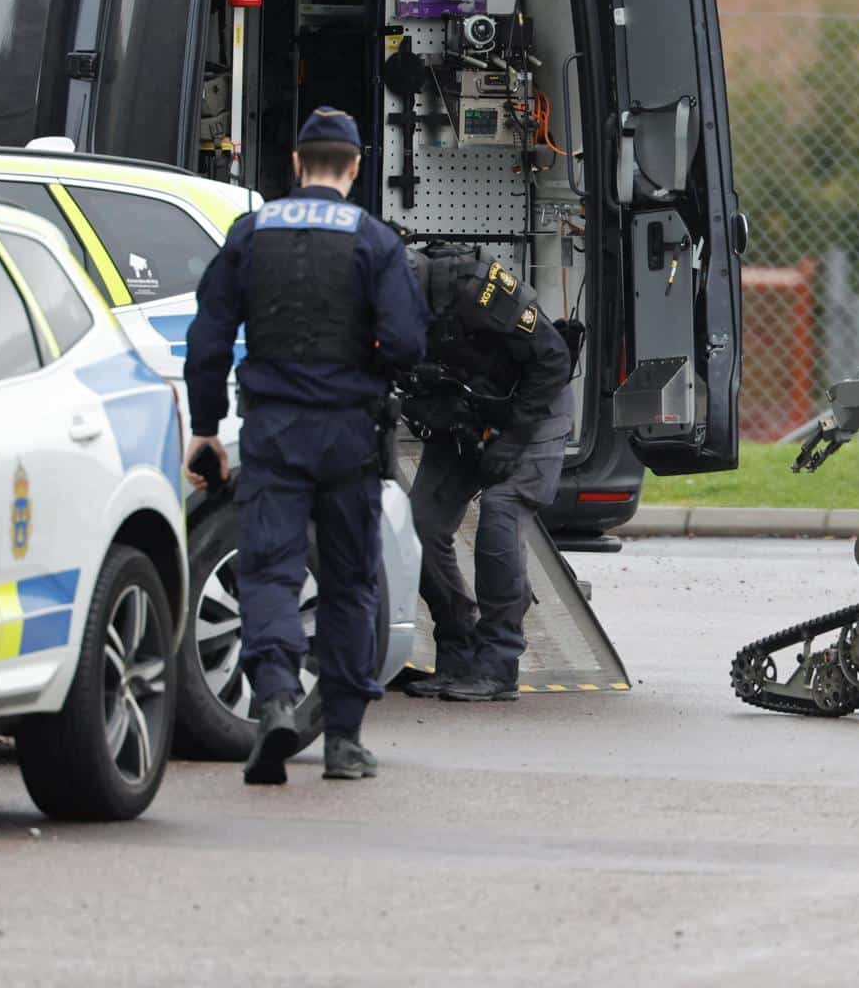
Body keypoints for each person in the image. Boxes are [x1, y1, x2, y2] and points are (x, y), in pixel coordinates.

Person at [184, 107, 428, 784]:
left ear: (296, 164)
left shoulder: (251, 233)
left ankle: (274, 701)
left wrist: (206, 431)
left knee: (270, 570)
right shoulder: (373, 240)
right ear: (353, 167)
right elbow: (408, 342)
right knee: (350, 581)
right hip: (350, 433)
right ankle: (344, 742)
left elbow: (206, 342)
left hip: (273, 430)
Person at [401, 245, 574, 703]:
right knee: (420, 525)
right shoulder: (376, 302)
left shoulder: (475, 287)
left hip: (534, 410)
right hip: (466, 413)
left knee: (499, 514)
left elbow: (554, 359)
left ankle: (498, 663)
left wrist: (513, 438)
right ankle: (456, 648)